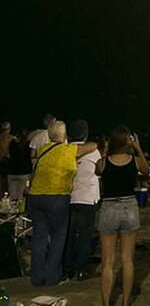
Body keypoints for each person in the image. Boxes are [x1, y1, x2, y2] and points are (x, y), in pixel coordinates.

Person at [27, 120, 97, 286]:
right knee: (58, 237)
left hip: (35, 196)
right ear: (65, 135)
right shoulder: (69, 150)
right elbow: (92, 146)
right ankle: (52, 276)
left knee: (39, 237)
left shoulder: (43, 149)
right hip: (56, 197)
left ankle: (37, 277)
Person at [96, 126, 149, 306]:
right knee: (127, 260)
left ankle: (106, 303)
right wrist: (138, 148)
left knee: (107, 262)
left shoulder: (104, 162)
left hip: (109, 208)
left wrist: (105, 151)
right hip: (129, 207)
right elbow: (147, 171)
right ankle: (126, 302)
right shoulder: (134, 161)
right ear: (128, 141)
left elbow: (98, 170)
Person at [65, 119, 101, 281]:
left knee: (70, 235)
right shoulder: (93, 151)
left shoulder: (66, 150)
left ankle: (68, 268)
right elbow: (99, 171)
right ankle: (81, 269)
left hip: (70, 197)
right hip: (87, 198)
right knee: (85, 235)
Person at [7, 126, 33, 201]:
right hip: (24, 172)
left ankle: (12, 207)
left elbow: (9, 155)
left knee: (12, 196)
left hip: (11, 171)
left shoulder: (12, 143)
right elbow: (30, 157)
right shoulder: (28, 144)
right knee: (21, 196)